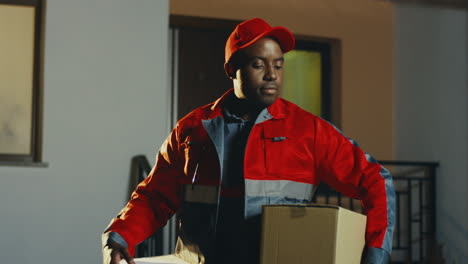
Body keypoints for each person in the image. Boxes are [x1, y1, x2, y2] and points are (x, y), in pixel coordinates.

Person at [102, 18, 395, 264]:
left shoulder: (308, 130)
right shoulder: (193, 129)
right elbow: (155, 196)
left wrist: (375, 252)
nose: (271, 75)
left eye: (278, 65)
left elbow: (376, 180)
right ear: (232, 70)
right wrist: (121, 237)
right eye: (258, 64)